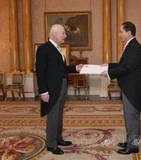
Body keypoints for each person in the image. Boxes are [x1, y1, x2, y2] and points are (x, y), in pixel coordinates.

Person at [35, 24, 82, 155]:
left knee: (59, 113)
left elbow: (62, 69)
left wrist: (75, 68)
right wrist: (43, 91)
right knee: (53, 115)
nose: (65, 36)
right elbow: (40, 71)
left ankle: (58, 138)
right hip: (51, 89)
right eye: (63, 33)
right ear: (54, 34)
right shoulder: (44, 49)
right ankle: (51, 144)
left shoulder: (58, 49)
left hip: (61, 86)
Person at [101, 21, 141, 155]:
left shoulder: (135, 47)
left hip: (132, 88)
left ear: (129, 32)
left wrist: (109, 73)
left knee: (132, 116)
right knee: (129, 116)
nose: (119, 34)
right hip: (128, 87)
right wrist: (107, 66)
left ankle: (133, 146)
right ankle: (131, 140)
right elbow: (121, 64)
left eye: (121, 31)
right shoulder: (130, 46)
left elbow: (126, 68)